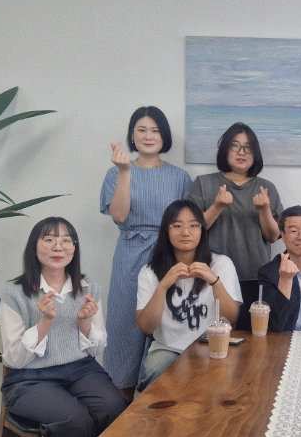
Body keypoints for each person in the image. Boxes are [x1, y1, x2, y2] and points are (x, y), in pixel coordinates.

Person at [0, 217, 127, 437]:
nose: (59, 247)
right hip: (28, 379)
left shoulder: (89, 288)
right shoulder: (13, 294)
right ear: (34, 246)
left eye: (67, 240)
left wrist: (84, 321)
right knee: (74, 420)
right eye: (49, 239)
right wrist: (45, 321)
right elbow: (13, 359)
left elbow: (96, 349)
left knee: (114, 409)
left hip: (82, 370)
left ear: (74, 248)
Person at [100, 106, 192, 402]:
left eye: (155, 130)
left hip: (168, 254)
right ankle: (121, 411)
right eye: (141, 130)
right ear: (132, 135)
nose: (148, 136)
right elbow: (119, 215)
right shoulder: (116, 172)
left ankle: (160, 408)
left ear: (164, 136)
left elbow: (189, 224)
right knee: (126, 326)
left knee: (166, 324)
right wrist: (125, 171)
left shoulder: (179, 177)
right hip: (129, 254)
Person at [136, 200, 242, 390]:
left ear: (202, 230)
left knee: (223, 378)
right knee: (155, 370)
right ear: (166, 231)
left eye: (193, 225)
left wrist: (215, 281)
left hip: (210, 345)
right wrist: (163, 285)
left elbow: (231, 317)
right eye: (177, 226)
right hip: (167, 349)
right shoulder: (149, 271)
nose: (186, 232)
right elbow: (146, 327)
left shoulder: (221, 264)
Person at [188, 122, 283, 331]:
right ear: (225, 150)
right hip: (212, 275)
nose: (241, 152)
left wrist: (264, 209)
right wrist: (217, 206)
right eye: (235, 146)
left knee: (253, 336)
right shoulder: (203, 183)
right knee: (213, 335)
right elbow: (191, 230)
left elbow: (273, 236)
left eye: (248, 148)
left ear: (255, 154)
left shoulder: (267, 188)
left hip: (255, 277)